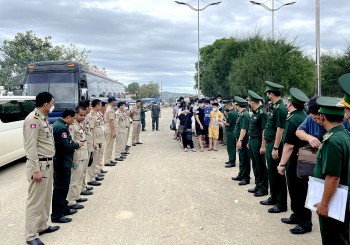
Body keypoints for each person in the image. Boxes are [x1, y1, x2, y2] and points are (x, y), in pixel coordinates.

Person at [313, 96, 350, 244]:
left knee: (333, 238)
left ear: (322, 117)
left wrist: (324, 204)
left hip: (334, 201)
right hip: (342, 198)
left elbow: (333, 177)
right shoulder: (344, 135)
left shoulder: (333, 141)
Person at [23, 92, 59, 245]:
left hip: (48, 164)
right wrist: (35, 169)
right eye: (52, 103)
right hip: (40, 166)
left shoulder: (43, 119)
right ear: (45, 104)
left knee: (45, 198)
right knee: (35, 201)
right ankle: (31, 235)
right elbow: (30, 148)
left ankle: (42, 226)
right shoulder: (33, 120)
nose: (53, 106)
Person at [276, 88, 312, 234]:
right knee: (297, 190)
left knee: (299, 191)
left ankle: (305, 222)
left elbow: (289, 145)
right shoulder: (303, 115)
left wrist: (281, 164)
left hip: (297, 159)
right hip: (304, 158)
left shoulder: (293, 119)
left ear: (290, 103)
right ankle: (296, 215)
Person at [260, 81, 288, 214]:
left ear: (271, 94)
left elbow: (280, 129)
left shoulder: (280, 108)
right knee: (271, 172)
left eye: (268, 93)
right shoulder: (274, 107)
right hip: (270, 142)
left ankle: (281, 203)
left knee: (278, 175)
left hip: (275, 144)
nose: (267, 95)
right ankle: (273, 197)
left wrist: (276, 148)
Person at [51, 109, 83, 223]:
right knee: (60, 188)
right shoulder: (61, 128)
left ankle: (63, 208)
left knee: (64, 187)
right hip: (61, 162)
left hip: (64, 160)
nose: (74, 120)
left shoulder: (61, 125)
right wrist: (76, 144)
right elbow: (66, 146)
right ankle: (57, 215)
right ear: (68, 117)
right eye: (73, 118)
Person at [246, 90, 268, 196]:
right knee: (255, 164)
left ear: (252, 102)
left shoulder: (262, 113)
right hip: (252, 140)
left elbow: (264, 130)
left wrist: (263, 145)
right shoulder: (254, 113)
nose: (248, 103)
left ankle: (263, 188)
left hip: (258, 141)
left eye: (249, 101)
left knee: (261, 165)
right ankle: (258, 185)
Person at [66, 106, 88, 210]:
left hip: (83, 153)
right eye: (81, 115)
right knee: (74, 179)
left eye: (84, 115)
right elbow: (71, 142)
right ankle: (71, 200)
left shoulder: (80, 124)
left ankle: (77, 195)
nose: (83, 117)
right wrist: (73, 157)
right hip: (77, 155)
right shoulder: (72, 126)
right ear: (76, 114)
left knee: (80, 176)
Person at [86, 99, 106, 188]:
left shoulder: (97, 114)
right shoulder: (90, 116)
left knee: (97, 158)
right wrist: (93, 141)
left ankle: (95, 174)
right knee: (93, 159)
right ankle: (91, 178)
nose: (101, 107)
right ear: (97, 105)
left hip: (100, 139)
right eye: (100, 105)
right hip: (95, 140)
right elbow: (91, 129)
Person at [231, 96, 250, 185]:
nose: (235, 106)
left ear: (238, 105)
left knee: (245, 159)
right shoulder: (241, 114)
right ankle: (241, 174)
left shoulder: (245, 115)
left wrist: (240, 140)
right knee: (241, 158)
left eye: (236, 105)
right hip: (240, 139)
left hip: (244, 140)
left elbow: (243, 129)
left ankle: (246, 177)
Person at [78, 100, 94, 196]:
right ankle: (81, 188)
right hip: (84, 146)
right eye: (89, 107)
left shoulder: (85, 118)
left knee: (84, 168)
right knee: (81, 170)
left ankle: (83, 186)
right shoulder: (81, 120)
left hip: (87, 145)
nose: (90, 109)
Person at [222, 101, 238, 168]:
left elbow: (228, 123)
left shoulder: (231, 113)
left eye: (226, 106)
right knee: (232, 147)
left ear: (228, 106)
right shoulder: (234, 111)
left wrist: (221, 120)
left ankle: (232, 161)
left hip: (230, 131)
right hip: (232, 131)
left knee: (230, 147)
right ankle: (231, 159)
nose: (226, 108)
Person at [103, 96, 117, 165]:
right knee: (109, 145)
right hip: (109, 128)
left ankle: (109, 159)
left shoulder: (109, 108)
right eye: (115, 101)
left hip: (109, 127)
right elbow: (111, 121)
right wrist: (113, 131)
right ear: (112, 101)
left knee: (111, 145)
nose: (115, 102)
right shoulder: (110, 109)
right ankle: (107, 161)